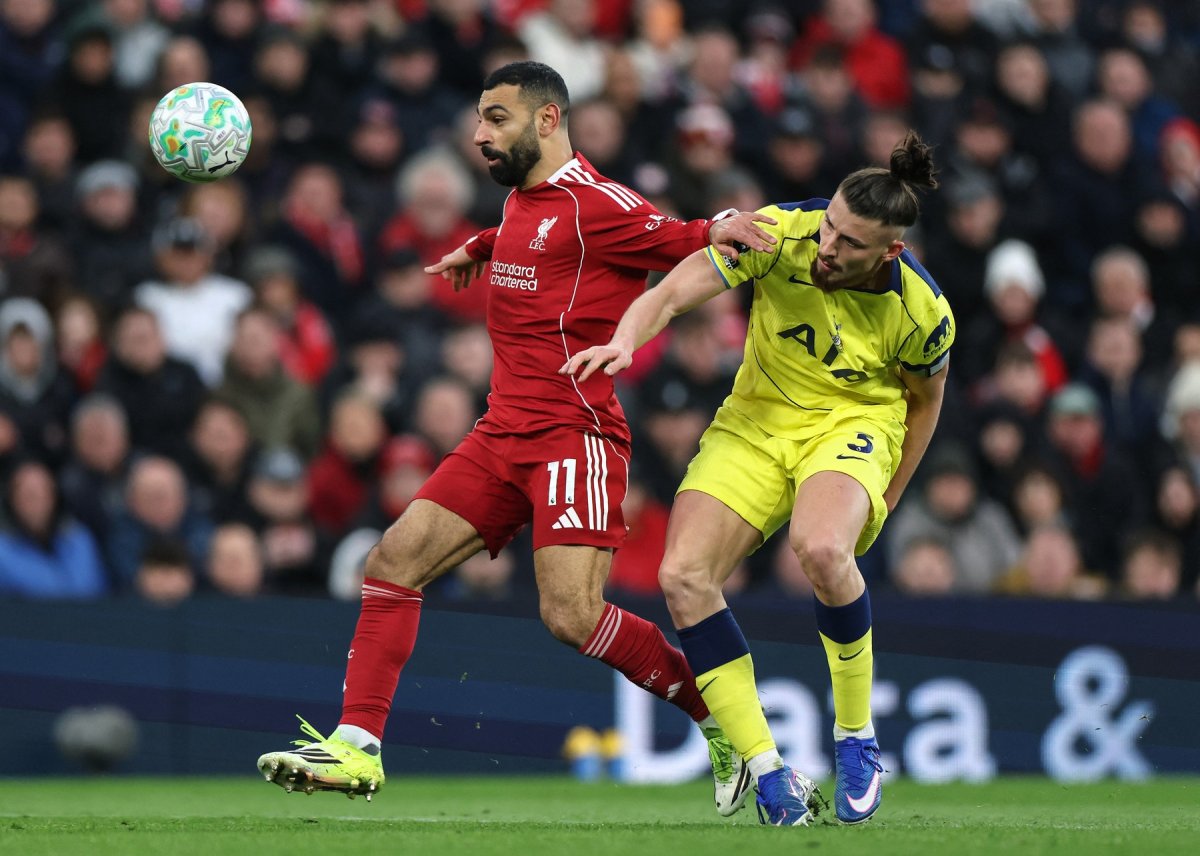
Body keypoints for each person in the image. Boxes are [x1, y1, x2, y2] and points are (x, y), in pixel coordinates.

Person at [256, 61, 777, 815]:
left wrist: (718, 226)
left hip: (576, 433)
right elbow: (533, 234)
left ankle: (720, 720)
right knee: (392, 561)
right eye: (478, 118)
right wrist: (482, 245)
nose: (478, 134)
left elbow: (675, 238)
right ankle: (356, 750)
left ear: (546, 121)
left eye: (495, 118)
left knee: (571, 616)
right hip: (502, 431)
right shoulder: (521, 202)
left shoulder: (600, 203)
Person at [564, 131, 953, 826]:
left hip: (851, 424)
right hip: (753, 423)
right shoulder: (779, 235)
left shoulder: (923, 311)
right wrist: (627, 337)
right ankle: (771, 775)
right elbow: (676, 292)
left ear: (890, 252)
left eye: (848, 243)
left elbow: (924, 404)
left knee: (824, 550)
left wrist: (887, 497)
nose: (827, 247)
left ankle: (856, 737)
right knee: (683, 576)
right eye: (829, 225)